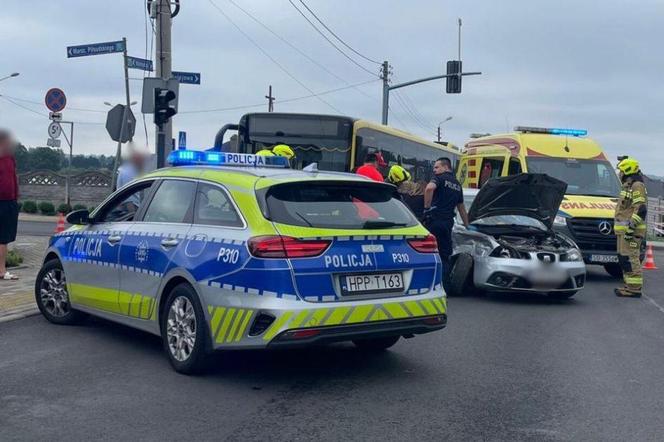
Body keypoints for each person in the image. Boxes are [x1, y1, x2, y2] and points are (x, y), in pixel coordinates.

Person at [423, 157, 469, 288]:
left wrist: (426, 209)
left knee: (429, 252)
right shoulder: (457, 185)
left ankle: (430, 284)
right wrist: (468, 226)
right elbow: (462, 208)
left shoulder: (440, 178)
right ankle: (445, 286)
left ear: (445, 167)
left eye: (437, 167)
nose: (435, 170)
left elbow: (429, 188)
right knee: (445, 254)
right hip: (448, 224)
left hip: (434, 221)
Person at [614, 156, 647, 298]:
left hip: (631, 232)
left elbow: (641, 209)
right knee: (624, 259)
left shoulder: (637, 186)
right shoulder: (628, 186)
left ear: (627, 171)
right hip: (625, 232)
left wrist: (630, 229)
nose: (619, 174)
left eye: (621, 171)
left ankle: (634, 289)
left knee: (631, 259)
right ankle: (629, 286)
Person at [0, 130, 19, 280]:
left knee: (4, 238)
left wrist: (15, 199)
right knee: (2, 238)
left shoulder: (10, 158)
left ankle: (1, 269)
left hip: (9, 202)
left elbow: (13, 179)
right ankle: (1, 270)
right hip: (2, 201)